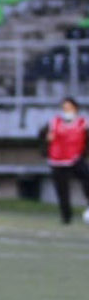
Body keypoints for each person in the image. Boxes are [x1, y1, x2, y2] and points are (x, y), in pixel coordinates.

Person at [41, 96, 89, 225]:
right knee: (62, 190)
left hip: (75, 158)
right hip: (57, 160)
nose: (66, 110)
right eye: (64, 107)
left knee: (87, 178)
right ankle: (66, 217)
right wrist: (47, 138)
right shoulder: (54, 122)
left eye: (69, 107)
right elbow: (42, 135)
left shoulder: (82, 122)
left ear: (75, 108)